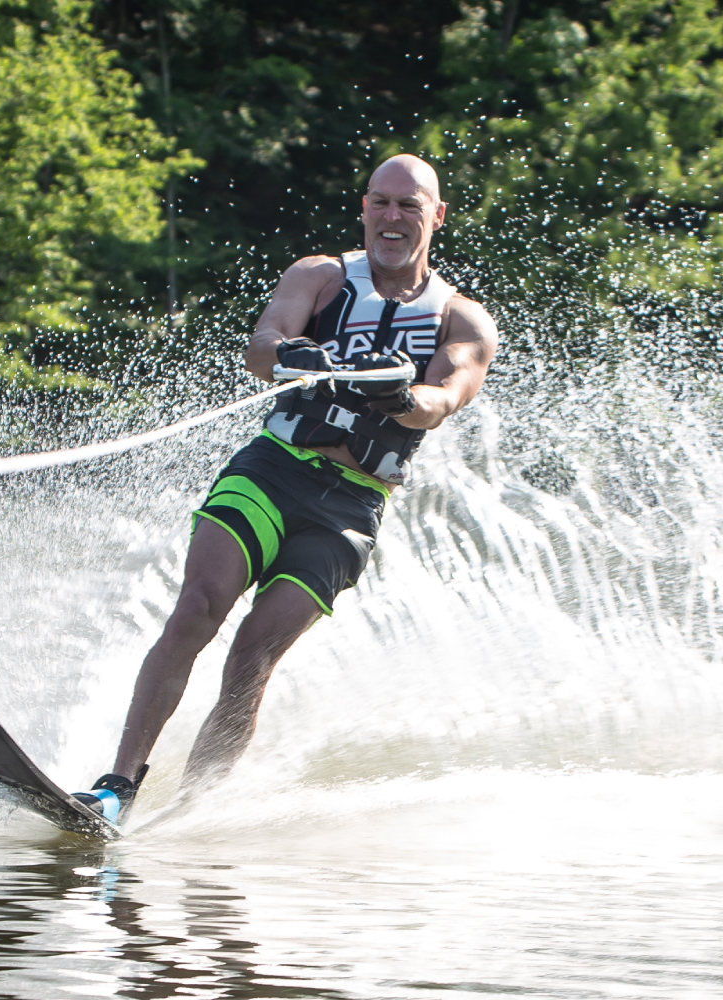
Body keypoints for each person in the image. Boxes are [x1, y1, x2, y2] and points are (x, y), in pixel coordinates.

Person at [73, 154, 498, 824]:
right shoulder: (320, 277)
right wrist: (289, 354)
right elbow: (263, 343)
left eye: (408, 206)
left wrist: (400, 396)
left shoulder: (462, 321)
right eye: (380, 203)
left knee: (253, 656)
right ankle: (115, 788)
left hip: (349, 511)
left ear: (435, 216)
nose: (392, 217)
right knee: (198, 609)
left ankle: (189, 809)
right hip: (272, 472)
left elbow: (446, 396)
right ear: (363, 209)